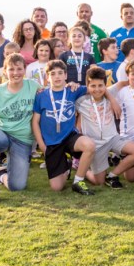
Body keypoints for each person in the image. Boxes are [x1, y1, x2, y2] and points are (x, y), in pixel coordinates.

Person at [0, 53, 40, 204]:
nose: (15, 73)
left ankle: (1, 175)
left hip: (23, 139)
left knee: (17, 186)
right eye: (11, 69)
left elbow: (51, 95)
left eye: (19, 69)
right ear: (4, 71)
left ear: (25, 70)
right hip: (1, 133)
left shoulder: (34, 86)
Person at [31, 60, 96, 196]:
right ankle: (66, 166)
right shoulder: (41, 95)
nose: (57, 76)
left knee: (89, 145)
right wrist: (42, 145)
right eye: (53, 74)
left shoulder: (73, 90)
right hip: (52, 142)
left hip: (69, 136)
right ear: (47, 77)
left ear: (66, 75)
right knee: (57, 187)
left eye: (60, 73)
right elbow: (35, 122)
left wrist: (76, 84)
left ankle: (78, 181)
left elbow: (95, 88)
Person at [76, 67, 134, 189]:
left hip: (113, 138)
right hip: (95, 144)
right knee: (98, 181)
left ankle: (112, 175)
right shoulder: (80, 101)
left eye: (100, 86)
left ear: (105, 85)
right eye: (93, 86)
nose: (97, 89)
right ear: (87, 85)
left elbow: (123, 83)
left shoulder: (110, 93)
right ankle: (83, 170)